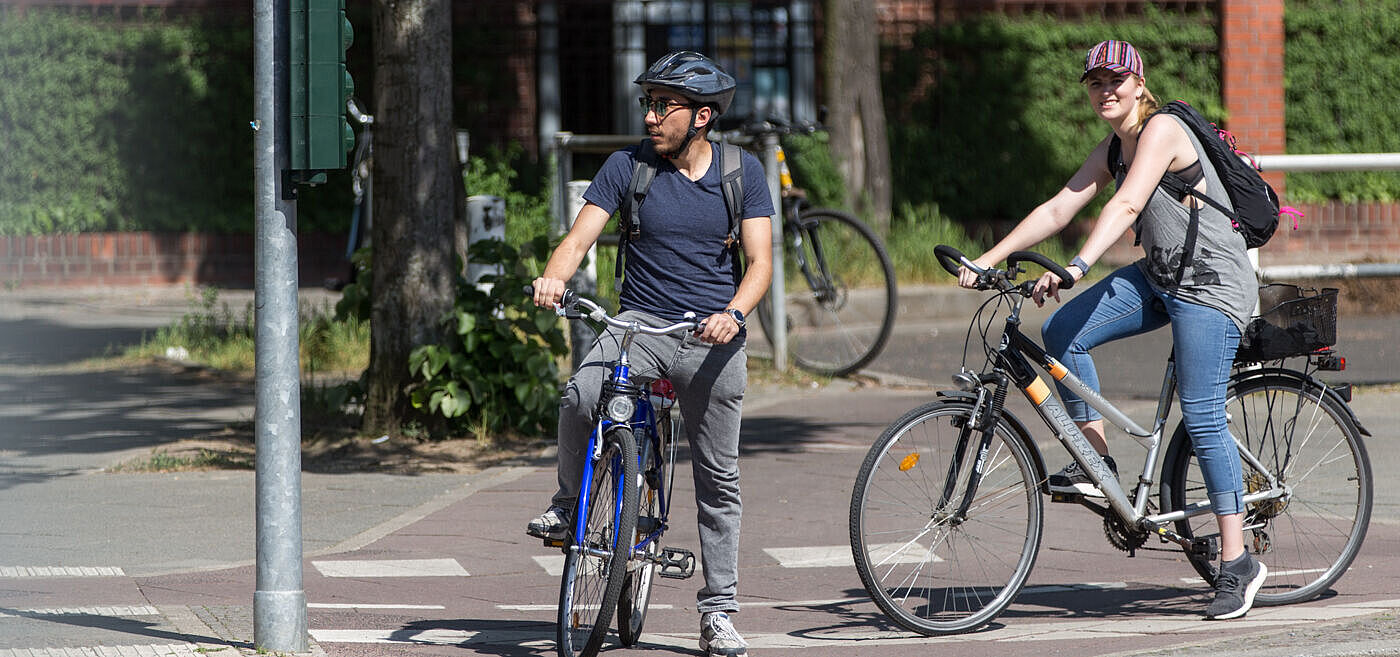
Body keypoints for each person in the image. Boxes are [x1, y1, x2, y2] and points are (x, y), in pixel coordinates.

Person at [957, 40, 1266, 620]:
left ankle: (1237, 560)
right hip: (1160, 276)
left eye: (1115, 81)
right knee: (1063, 333)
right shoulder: (1114, 147)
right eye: (1095, 82)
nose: (1105, 90)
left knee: (1201, 415)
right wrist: (987, 258)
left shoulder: (1164, 130)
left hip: (1212, 284)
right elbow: (1058, 208)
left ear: (1139, 84)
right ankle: (1098, 465)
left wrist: (1077, 266)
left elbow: (1125, 207)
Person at [526, 51, 774, 657]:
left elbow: (761, 264)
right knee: (582, 394)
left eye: (665, 105)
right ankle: (567, 507)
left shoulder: (742, 173)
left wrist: (733, 315)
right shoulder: (626, 166)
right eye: (649, 102)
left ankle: (717, 613)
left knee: (719, 481)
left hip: (711, 335)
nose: (652, 114)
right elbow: (578, 239)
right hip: (637, 324)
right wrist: (553, 278)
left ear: (703, 117)